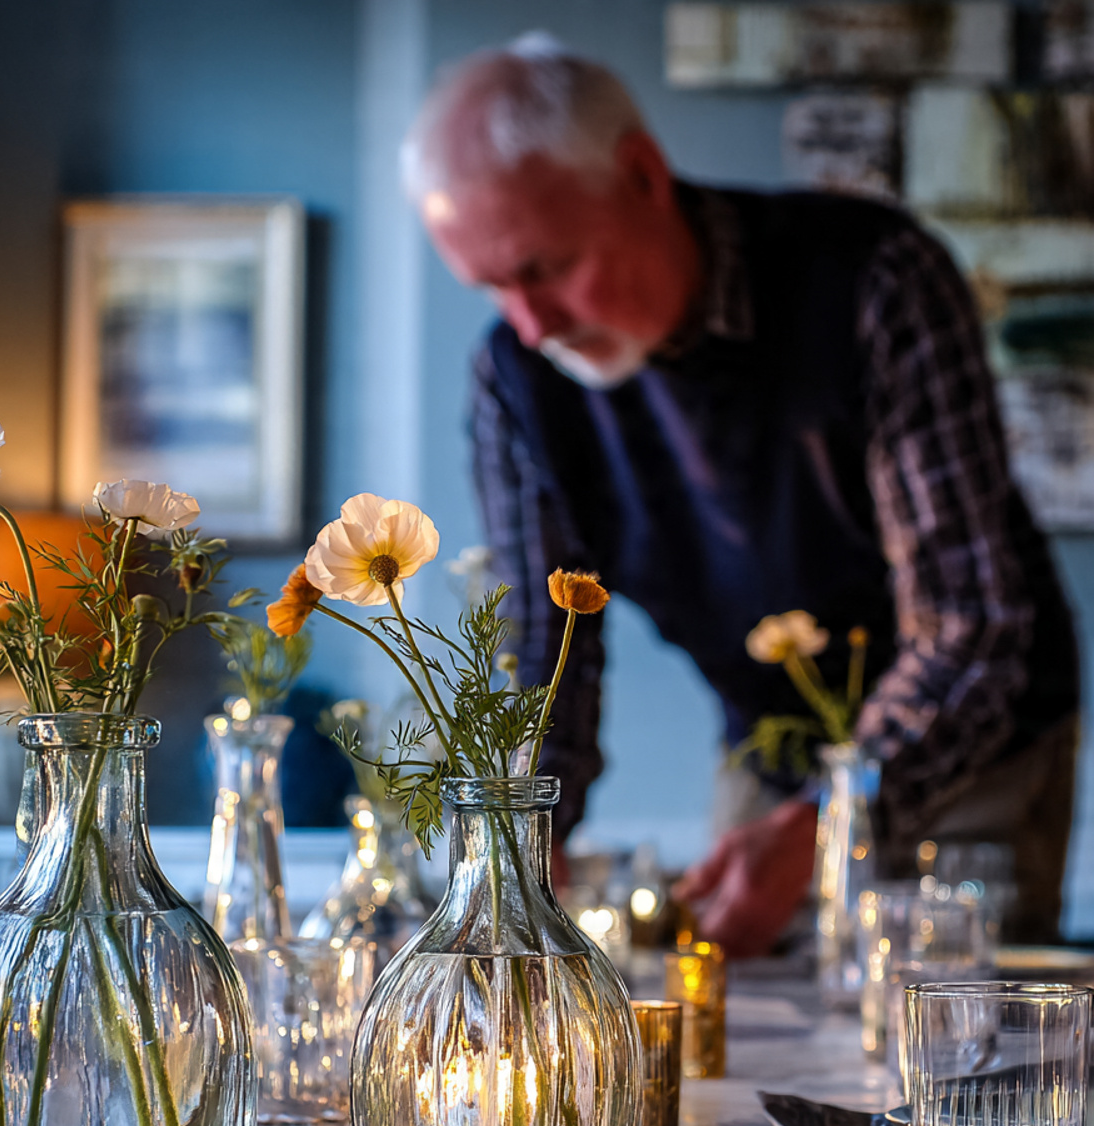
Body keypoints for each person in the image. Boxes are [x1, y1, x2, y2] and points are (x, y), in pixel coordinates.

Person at [401, 35, 1080, 953]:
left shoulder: (871, 280)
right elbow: (544, 643)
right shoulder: (515, 375)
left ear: (640, 173)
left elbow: (971, 622)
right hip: (767, 744)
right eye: (492, 289)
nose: (533, 324)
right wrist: (527, 831)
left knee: (954, 1055)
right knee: (741, 1030)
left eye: (546, 269)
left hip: (971, 755)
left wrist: (825, 826)